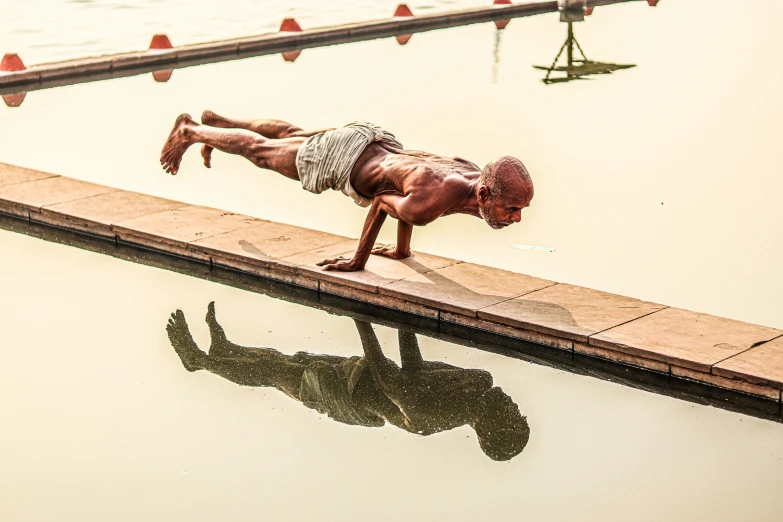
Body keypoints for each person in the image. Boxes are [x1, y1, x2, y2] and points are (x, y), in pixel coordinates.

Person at [160, 112, 534, 272]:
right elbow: (383, 202)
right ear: (484, 194)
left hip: (371, 139)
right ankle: (192, 131)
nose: (516, 218)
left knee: (290, 135)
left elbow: (410, 195)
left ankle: (218, 125)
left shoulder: (469, 174)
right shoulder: (435, 202)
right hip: (344, 159)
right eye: (511, 208)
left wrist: (403, 250)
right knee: (260, 153)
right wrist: (359, 260)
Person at [166, 302, 531, 461]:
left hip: (349, 398)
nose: (515, 405)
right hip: (362, 377)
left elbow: (390, 378)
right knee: (291, 361)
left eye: (513, 416)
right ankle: (225, 349)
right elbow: (414, 368)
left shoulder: (433, 418)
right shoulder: (476, 383)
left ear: (489, 427)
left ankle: (198, 361)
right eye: (519, 412)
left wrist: (362, 317)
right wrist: (407, 318)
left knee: (277, 374)